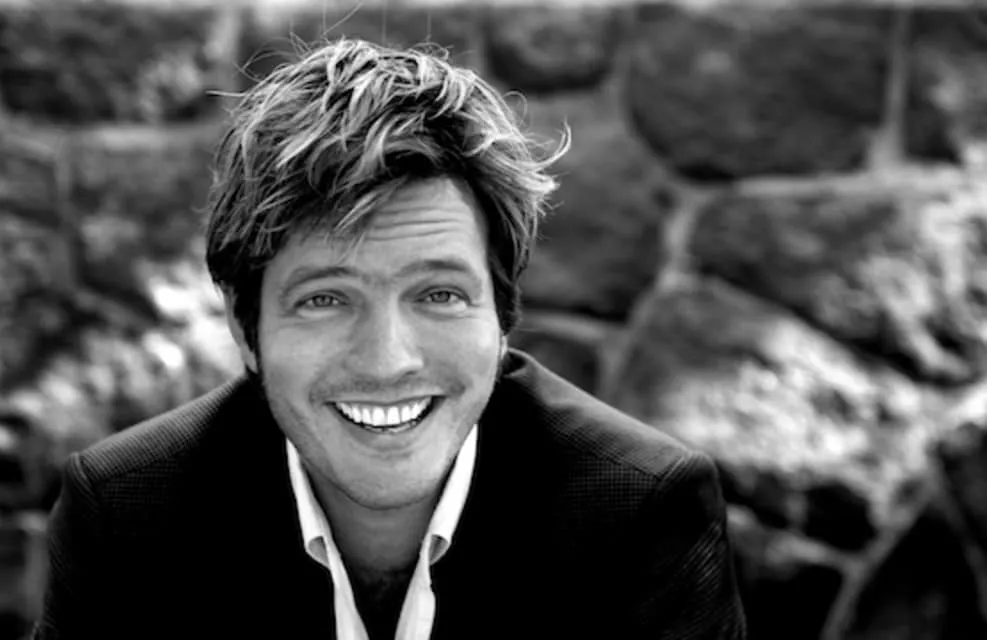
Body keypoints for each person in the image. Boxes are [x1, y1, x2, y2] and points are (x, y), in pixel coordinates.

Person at [32, 38, 746, 640]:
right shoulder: (126, 517)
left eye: (438, 295)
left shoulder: (641, 513)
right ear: (246, 328)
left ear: (502, 316)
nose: (388, 360)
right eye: (325, 300)